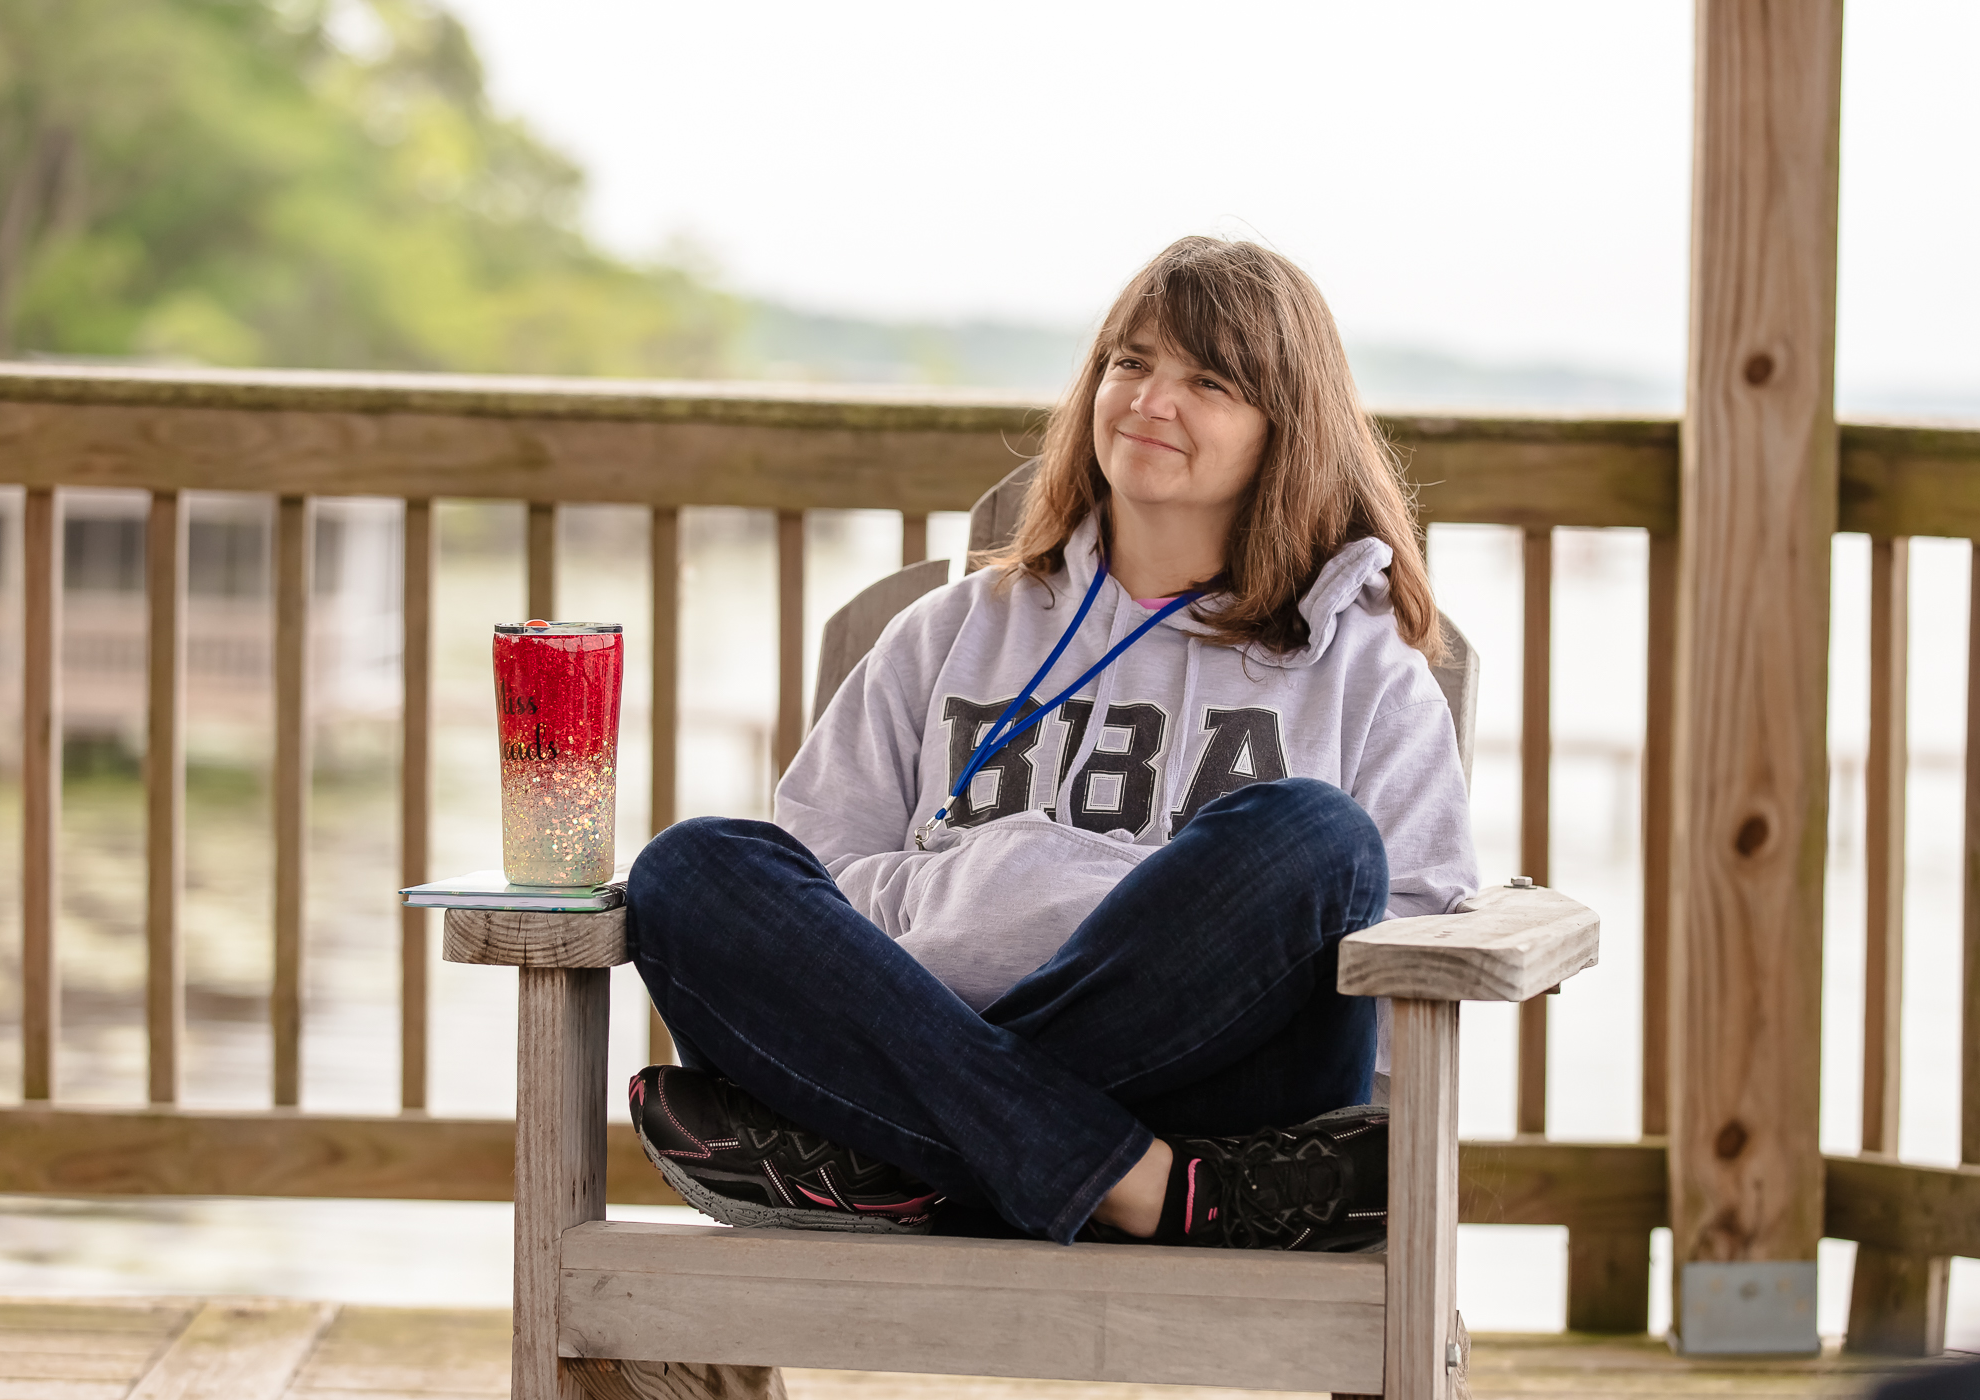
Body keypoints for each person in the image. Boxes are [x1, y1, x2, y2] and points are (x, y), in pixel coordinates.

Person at [625, 236, 1478, 1252]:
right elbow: (817, 872)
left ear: (1284, 429)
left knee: (1316, 837)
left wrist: (1091, 912)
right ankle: (1133, 1185)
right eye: (1131, 362)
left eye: (1207, 381)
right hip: (1204, 1181)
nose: (1150, 400)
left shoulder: (1359, 666)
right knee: (692, 868)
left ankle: (899, 1157)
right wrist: (977, 894)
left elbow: (1410, 936)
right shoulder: (951, 631)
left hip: (1225, 1107)